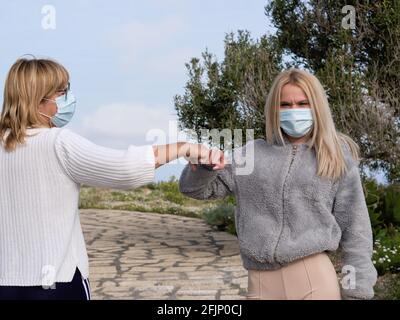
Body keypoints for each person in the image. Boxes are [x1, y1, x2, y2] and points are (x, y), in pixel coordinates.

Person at [0, 57, 224, 300]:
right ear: (38, 100)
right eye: (62, 92)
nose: (67, 99)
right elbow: (125, 168)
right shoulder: (57, 143)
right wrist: (184, 148)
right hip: (55, 284)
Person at [179, 68, 378, 300]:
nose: (294, 111)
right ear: (274, 108)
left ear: (317, 107)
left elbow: (357, 232)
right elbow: (195, 190)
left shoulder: (336, 158)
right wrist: (204, 166)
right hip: (260, 284)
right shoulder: (250, 155)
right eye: (285, 105)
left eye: (303, 103)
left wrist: (357, 292)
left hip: (314, 279)